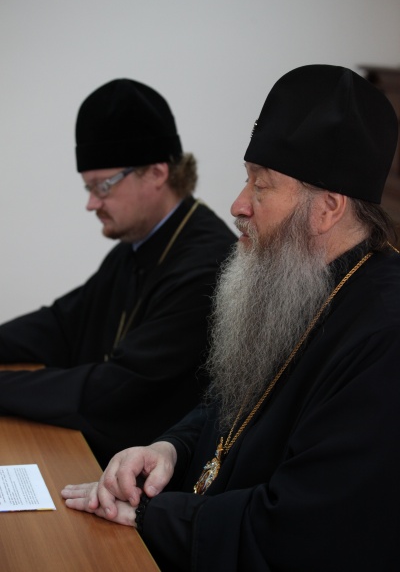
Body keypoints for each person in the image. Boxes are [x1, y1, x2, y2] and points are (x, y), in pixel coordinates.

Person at [61, 65, 400, 571]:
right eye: (247, 178)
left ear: (327, 209)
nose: (238, 204)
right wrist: (170, 448)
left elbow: (303, 529)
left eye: (262, 186)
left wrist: (152, 514)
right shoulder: (298, 281)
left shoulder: (386, 336)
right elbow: (234, 408)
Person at [0, 79, 236, 468]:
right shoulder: (138, 244)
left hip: (148, 479)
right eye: (88, 188)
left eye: (102, 187)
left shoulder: (206, 265)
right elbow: (62, 325)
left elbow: (116, 390)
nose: (91, 203)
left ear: (156, 173)